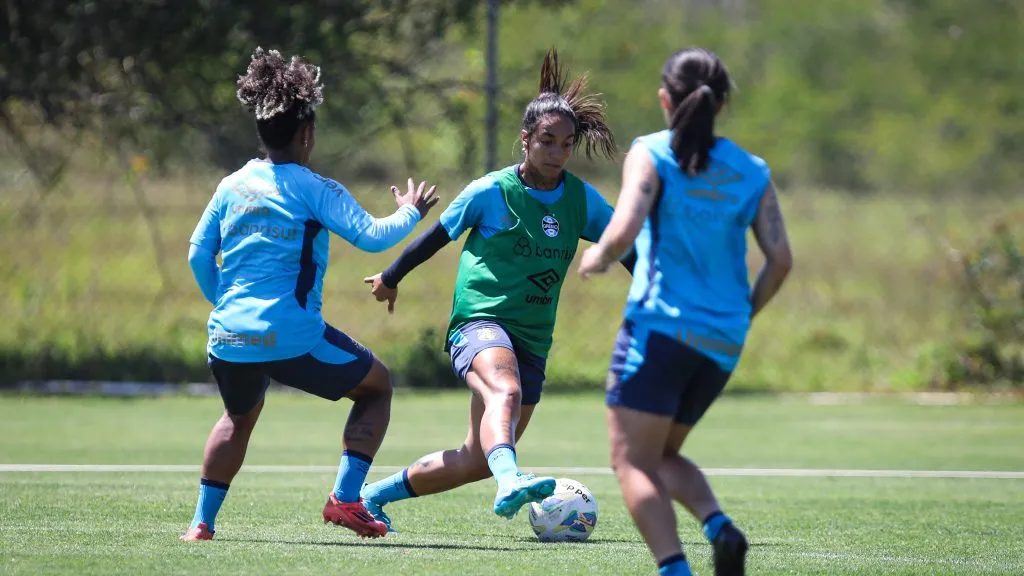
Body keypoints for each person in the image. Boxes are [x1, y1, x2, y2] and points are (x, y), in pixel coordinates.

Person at [360, 47, 632, 530]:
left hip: (533, 337)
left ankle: (370, 498)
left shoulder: (580, 201)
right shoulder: (491, 192)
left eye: (567, 144)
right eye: (548, 141)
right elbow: (434, 239)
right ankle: (511, 481)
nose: (558, 153)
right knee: (503, 392)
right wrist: (390, 277)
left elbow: (627, 248)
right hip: (480, 324)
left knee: (478, 457)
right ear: (525, 139)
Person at [180, 47, 439, 542]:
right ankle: (345, 499)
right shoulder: (313, 187)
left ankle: (201, 524)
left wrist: (227, 306)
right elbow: (372, 237)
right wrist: (410, 212)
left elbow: (198, 254)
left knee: (238, 418)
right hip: (291, 334)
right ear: (306, 135)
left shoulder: (231, 184)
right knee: (377, 386)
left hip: (229, 333)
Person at [577, 47, 794, 576]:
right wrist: (740, 316)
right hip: (722, 340)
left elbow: (625, 226)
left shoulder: (652, 152)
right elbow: (781, 261)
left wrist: (599, 256)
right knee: (664, 456)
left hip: (660, 330)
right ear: (722, 103)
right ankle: (720, 528)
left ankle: (676, 569)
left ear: (663, 98)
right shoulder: (752, 170)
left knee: (631, 461)